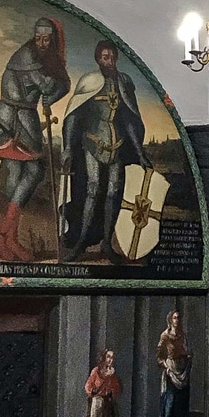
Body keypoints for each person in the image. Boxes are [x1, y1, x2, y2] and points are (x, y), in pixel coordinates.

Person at [0, 17, 70, 261]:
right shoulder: (26, 56)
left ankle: (7, 235)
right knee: (13, 174)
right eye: (39, 38)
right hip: (10, 116)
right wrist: (49, 92)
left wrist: (50, 99)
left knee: (34, 172)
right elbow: (45, 84)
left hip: (27, 116)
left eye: (47, 39)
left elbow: (64, 85)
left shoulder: (46, 57)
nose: (42, 43)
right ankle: (1, 238)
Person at [61, 39, 150, 263]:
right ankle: (80, 242)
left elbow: (130, 120)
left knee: (113, 194)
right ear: (97, 59)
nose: (108, 61)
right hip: (92, 144)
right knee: (91, 190)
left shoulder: (124, 82)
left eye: (111, 57)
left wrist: (139, 153)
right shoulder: (89, 81)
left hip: (117, 147)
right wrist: (68, 147)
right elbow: (73, 116)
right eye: (104, 57)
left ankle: (106, 244)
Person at [156, 309, 191, 417]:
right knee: (170, 401)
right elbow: (159, 355)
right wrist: (166, 366)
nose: (177, 320)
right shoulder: (165, 336)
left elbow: (187, 350)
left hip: (183, 371)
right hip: (171, 372)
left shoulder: (182, 335)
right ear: (170, 320)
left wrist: (188, 357)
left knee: (182, 402)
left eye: (178, 317)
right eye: (174, 318)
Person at [84, 348, 122, 417]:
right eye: (108, 357)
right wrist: (92, 391)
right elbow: (88, 385)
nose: (110, 360)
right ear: (104, 357)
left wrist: (112, 392)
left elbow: (117, 387)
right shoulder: (96, 371)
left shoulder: (112, 372)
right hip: (97, 400)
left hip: (108, 402)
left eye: (112, 357)